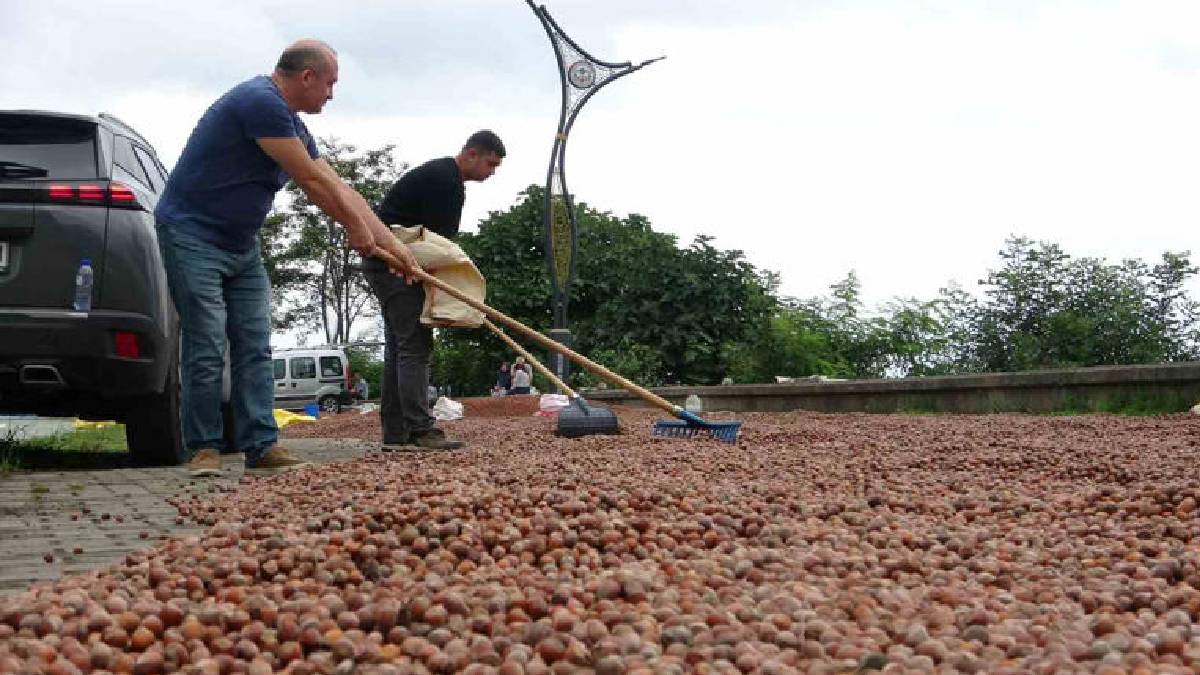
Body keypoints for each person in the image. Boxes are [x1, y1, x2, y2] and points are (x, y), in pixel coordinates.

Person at [155, 39, 419, 477]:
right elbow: (311, 182)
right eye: (330, 84)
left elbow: (338, 186)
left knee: (255, 344)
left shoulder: (290, 122)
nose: (331, 95)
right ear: (307, 77)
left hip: (241, 244)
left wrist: (395, 247)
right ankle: (203, 448)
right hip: (192, 235)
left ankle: (261, 446)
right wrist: (354, 228)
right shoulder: (260, 102)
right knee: (207, 342)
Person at [364, 130, 505, 451]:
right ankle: (420, 429)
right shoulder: (447, 181)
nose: (492, 172)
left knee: (399, 347)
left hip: (388, 262)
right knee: (415, 344)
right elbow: (440, 243)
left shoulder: (442, 175)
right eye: (490, 164)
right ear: (471, 154)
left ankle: (397, 432)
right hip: (393, 265)